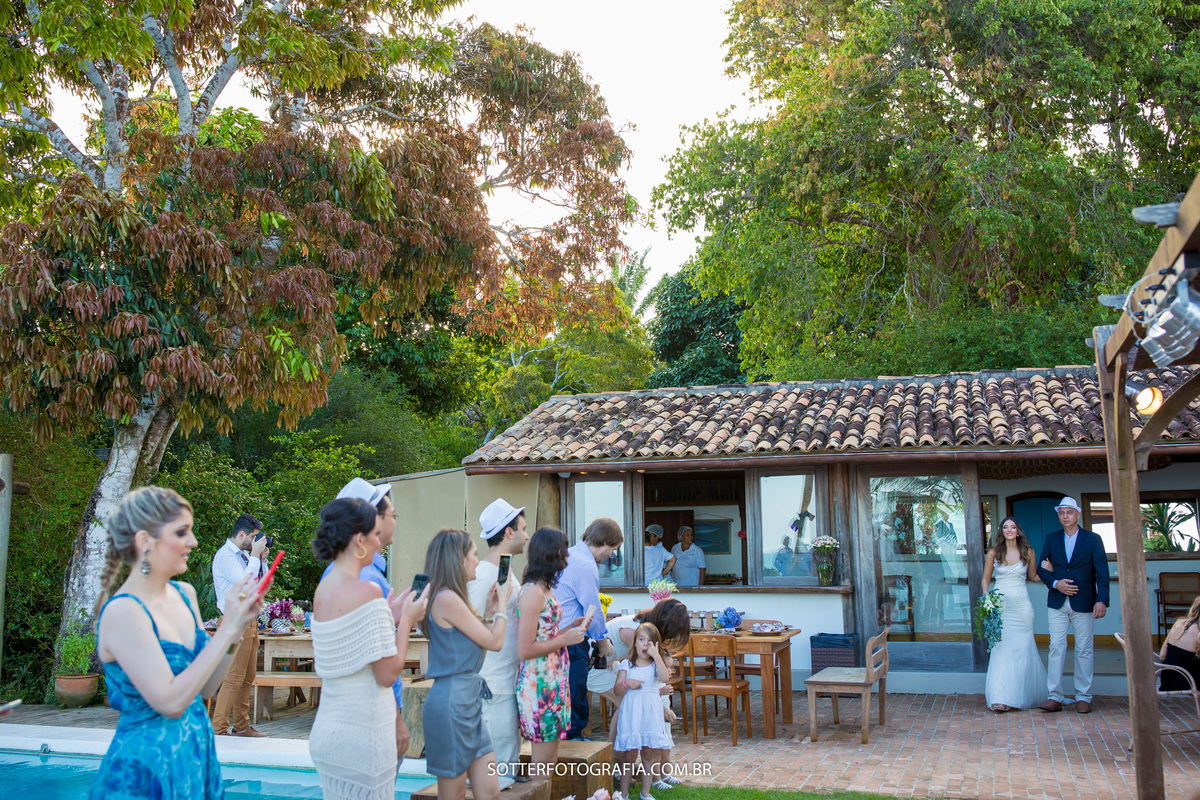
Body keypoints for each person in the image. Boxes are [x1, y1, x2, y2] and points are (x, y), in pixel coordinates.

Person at [91, 487, 263, 799]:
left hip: (195, 758)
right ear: (145, 541)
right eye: (182, 532)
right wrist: (225, 631)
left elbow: (206, 688)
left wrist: (236, 627)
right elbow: (170, 702)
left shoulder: (185, 594)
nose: (193, 542)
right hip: (144, 772)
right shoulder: (122, 611)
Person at [320, 477, 412, 760]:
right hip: (365, 729)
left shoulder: (326, 585)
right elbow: (386, 675)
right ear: (360, 538)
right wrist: (407, 618)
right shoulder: (368, 588)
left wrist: (387, 617)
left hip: (330, 725)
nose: (378, 539)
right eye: (374, 532)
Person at [422, 529, 512, 800]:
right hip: (451, 705)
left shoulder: (452, 599)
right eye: (473, 554)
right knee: (454, 796)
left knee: (490, 792)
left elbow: (477, 648)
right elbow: (495, 643)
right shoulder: (446, 598)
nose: (477, 561)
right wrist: (503, 606)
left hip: (468, 702)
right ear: (459, 560)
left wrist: (488, 612)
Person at [590, 599, 690, 789]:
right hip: (595, 666)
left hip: (610, 664)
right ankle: (613, 763)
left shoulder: (646, 628)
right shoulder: (635, 634)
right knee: (626, 703)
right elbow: (638, 677)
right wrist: (660, 707)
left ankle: (619, 764)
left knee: (626, 705)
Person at [466, 498, 529, 787]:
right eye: (523, 529)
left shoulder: (504, 571)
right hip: (492, 682)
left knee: (506, 769)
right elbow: (469, 625)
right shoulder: (481, 575)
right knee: (497, 775)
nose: (527, 536)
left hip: (506, 679)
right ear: (508, 532)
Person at [516, 526, 587, 776]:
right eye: (563, 551)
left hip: (553, 681)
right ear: (550, 554)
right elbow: (524, 649)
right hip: (539, 685)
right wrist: (564, 639)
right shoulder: (533, 593)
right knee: (543, 762)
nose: (567, 557)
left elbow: (545, 632)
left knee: (551, 757)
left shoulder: (545, 589)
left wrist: (569, 628)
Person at [1036, 496, 1110, 714]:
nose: (1065, 516)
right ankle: (1054, 696)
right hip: (1057, 602)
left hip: (1085, 602)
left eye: (1069, 512)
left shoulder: (1093, 539)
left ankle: (1083, 696)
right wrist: (1055, 582)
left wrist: (1102, 599)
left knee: (1084, 649)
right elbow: (1041, 568)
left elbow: (1102, 572)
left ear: (1077, 514)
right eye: (1061, 513)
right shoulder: (1052, 538)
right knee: (1056, 648)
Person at [556, 517, 624, 740]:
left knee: (564, 699)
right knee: (575, 697)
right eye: (612, 549)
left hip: (556, 636)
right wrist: (603, 640)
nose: (611, 555)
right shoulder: (585, 564)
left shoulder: (569, 555)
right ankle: (574, 757)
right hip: (572, 640)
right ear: (604, 543)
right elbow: (591, 609)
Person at [210, 512, 268, 737]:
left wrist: (261, 560)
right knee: (233, 677)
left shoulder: (246, 557)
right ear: (241, 534)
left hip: (250, 620)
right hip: (234, 621)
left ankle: (241, 726)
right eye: (253, 537)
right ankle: (219, 728)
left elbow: (258, 585)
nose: (254, 541)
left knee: (247, 677)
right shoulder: (225, 556)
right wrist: (254, 556)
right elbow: (244, 583)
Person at [981, 517, 1048, 712]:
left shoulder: (1028, 551)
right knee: (1001, 651)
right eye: (1005, 527)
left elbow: (1034, 577)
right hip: (1001, 608)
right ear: (1001, 531)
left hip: (1022, 609)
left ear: (1018, 531)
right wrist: (986, 596)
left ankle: (1018, 695)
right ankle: (1000, 697)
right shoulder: (994, 552)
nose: (1009, 530)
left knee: (1021, 652)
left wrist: (1048, 571)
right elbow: (985, 579)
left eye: (1013, 527)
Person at [613, 623, 675, 800]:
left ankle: (645, 793)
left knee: (648, 754)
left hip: (650, 715)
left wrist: (657, 657)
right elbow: (617, 690)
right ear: (635, 643)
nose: (645, 645)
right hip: (632, 715)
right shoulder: (627, 665)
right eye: (641, 640)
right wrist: (627, 683)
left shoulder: (655, 667)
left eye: (650, 641)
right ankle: (623, 794)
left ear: (655, 645)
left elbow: (665, 678)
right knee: (629, 755)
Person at [1159, 596, 1200, 691]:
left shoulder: (1178, 623)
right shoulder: (1198, 631)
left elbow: (1162, 656)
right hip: (1189, 682)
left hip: (1167, 680)